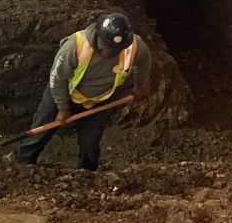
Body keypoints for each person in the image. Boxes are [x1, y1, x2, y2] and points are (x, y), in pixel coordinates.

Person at [15, 12, 152, 171]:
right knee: (39, 134)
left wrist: (141, 86)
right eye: (106, 45)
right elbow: (57, 78)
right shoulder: (76, 45)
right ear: (99, 35)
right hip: (63, 94)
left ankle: (86, 176)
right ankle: (21, 167)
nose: (109, 52)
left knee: (90, 143)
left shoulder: (133, 47)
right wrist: (62, 108)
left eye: (114, 49)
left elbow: (145, 58)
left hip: (98, 101)